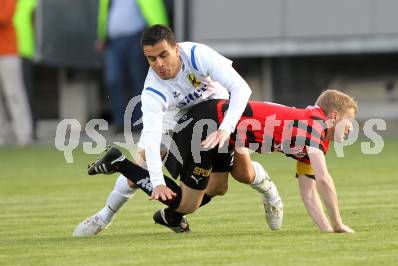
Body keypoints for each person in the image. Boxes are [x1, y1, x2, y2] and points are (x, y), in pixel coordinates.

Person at [72, 25, 283, 236]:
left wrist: (226, 128)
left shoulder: (197, 55)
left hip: (216, 110)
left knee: (238, 176)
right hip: (175, 118)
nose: (159, 64)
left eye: (163, 55)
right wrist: (157, 183)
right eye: (152, 59)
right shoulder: (152, 91)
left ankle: (272, 197)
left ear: (176, 48)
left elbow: (241, 88)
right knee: (140, 166)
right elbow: (153, 139)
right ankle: (103, 217)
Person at [84, 89, 356, 233]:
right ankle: (120, 162)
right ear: (332, 115)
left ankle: (170, 213)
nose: (351, 128)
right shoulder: (316, 128)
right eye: (349, 120)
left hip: (226, 131)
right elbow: (323, 180)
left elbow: (308, 193)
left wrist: (328, 231)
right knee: (187, 202)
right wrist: (338, 223)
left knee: (219, 187)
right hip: (211, 122)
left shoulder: (316, 133)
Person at [96, 0, 169, 132]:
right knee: (113, 79)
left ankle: (139, 122)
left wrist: (161, 36)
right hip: (112, 41)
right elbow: (104, 14)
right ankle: (120, 123)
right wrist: (101, 36)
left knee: (137, 80)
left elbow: (155, 9)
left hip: (136, 38)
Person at [0, 0, 33, 146]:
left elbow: (5, 17)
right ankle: (2, 135)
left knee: (14, 93)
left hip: (8, 51)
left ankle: (23, 135)